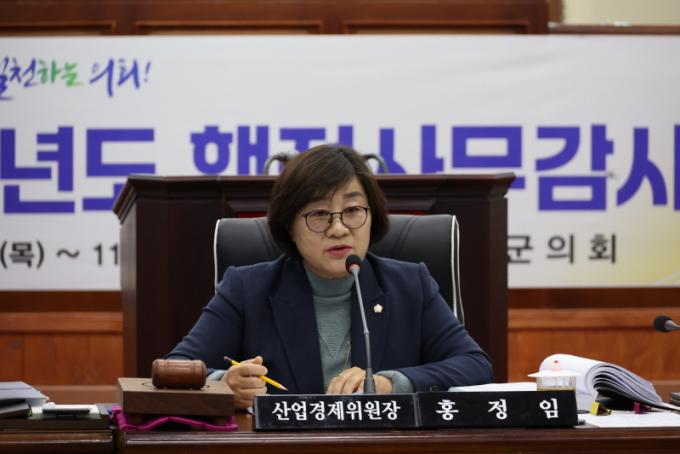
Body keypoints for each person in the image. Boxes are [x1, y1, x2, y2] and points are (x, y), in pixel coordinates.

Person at [167, 144, 493, 409]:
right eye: (319, 214)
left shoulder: (411, 285)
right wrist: (223, 384)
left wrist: (391, 383)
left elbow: (474, 365)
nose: (338, 229)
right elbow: (175, 369)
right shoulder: (247, 289)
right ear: (289, 227)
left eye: (352, 211)